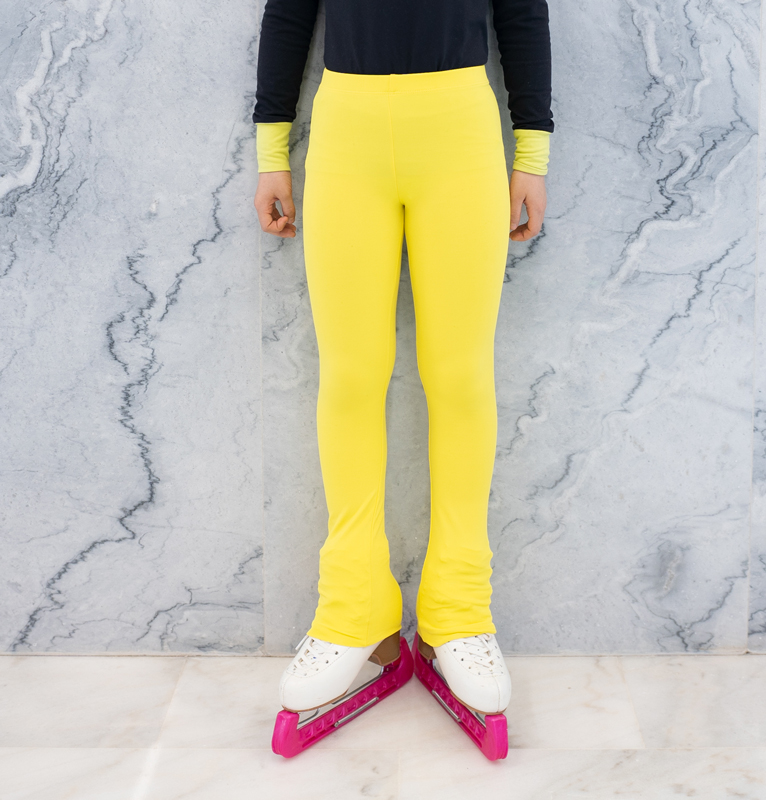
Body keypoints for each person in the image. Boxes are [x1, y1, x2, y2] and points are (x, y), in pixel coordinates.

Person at [253, 0, 553, 758]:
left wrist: (532, 155)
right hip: (346, 128)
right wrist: (271, 151)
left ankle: (459, 608)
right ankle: (354, 605)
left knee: (460, 377)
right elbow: (289, 11)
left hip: (460, 128)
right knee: (350, 376)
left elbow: (522, 11)